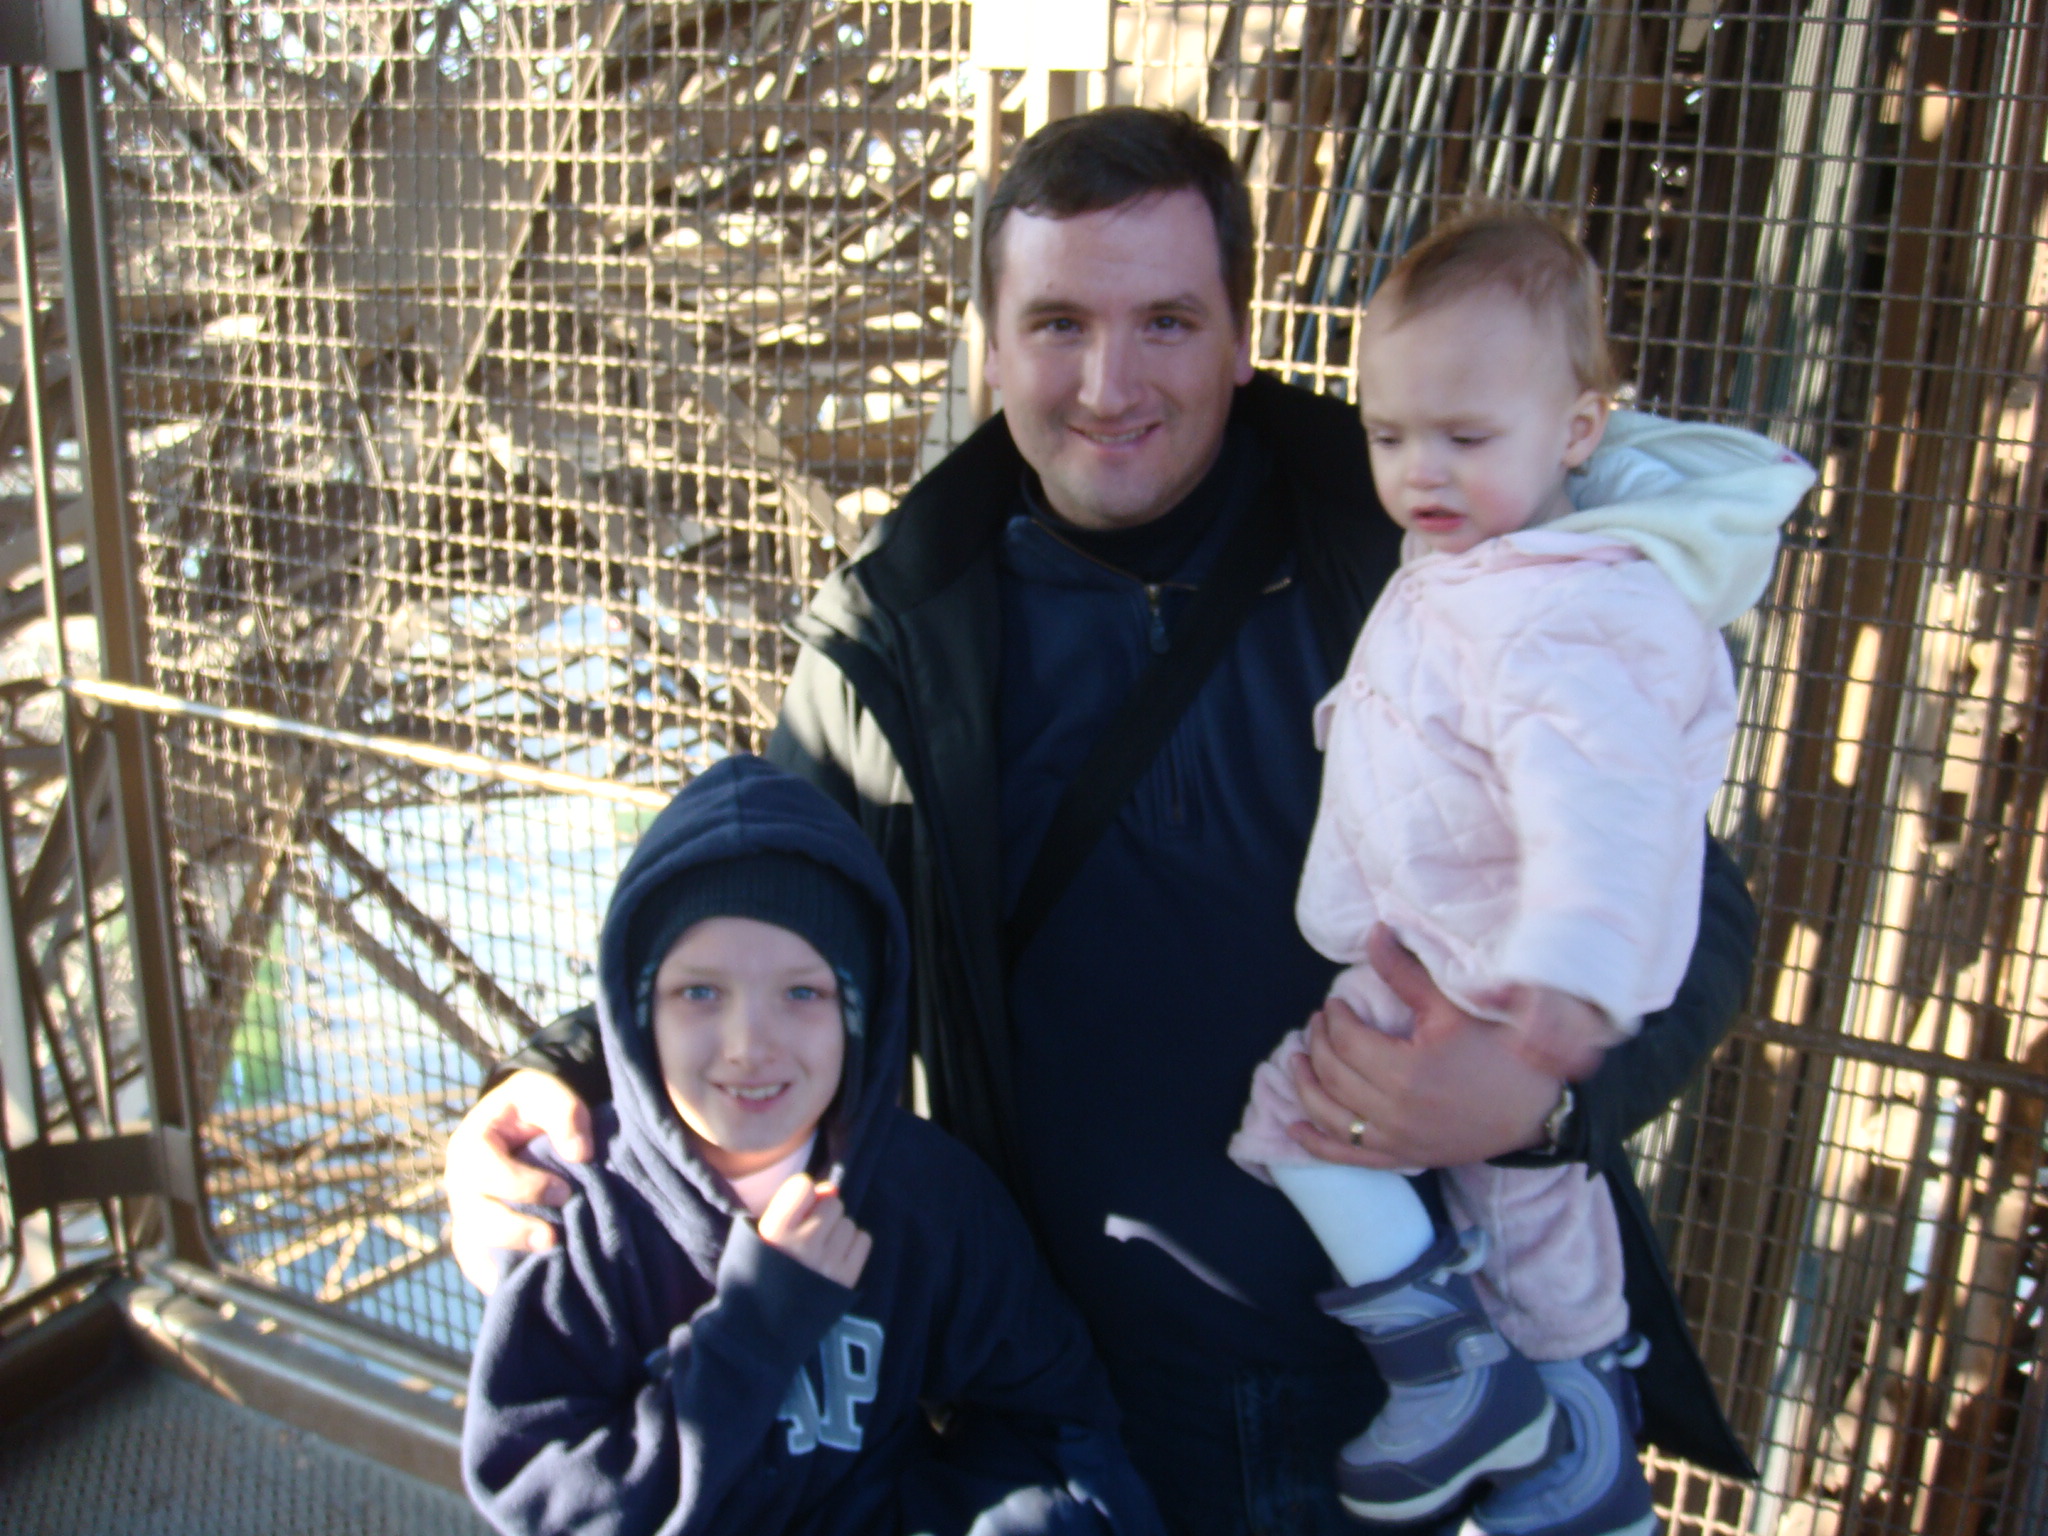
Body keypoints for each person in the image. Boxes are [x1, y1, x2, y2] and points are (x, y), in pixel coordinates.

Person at [445, 108, 1763, 1536]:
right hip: (1079, 1394)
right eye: (1058, 322)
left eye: (1168, 323)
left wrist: (1542, 1098)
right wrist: (549, 1076)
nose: (1107, 382)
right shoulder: (895, 641)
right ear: (991, 345)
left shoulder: (1430, 552)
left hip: (1417, 1383)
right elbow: (772, 901)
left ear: (1243, 337)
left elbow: (1694, 912)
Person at [1227, 211, 1815, 1536]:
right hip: (1457, 948)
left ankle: (1489, 1392)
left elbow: (1606, 808)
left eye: (1466, 438)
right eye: (1390, 436)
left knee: (1329, 1129)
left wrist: (1571, 993)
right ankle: (1550, 1429)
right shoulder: (1477, 563)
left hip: (1496, 967)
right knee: (1518, 1219)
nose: (1420, 470)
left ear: (1579, 432)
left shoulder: (1565, 608)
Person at [463, 754, 1164, 1536]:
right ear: (634, 1011)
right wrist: (759, 1326)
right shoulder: (581, 1214)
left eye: (803, 992)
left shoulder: (926, 1196)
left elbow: (1055, 1418)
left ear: (861, 1011)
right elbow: (541, 1499)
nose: (749, 1045)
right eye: (700, 992)